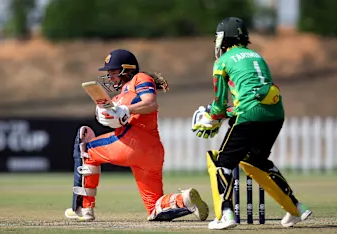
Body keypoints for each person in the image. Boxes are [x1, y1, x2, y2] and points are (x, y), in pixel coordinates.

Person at [191, 17, 312, 230]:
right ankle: (296, 208)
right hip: (275, 113)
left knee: (222, 163)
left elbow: (220, 104)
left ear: (223, 38)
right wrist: (227, 113)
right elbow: (253, 96)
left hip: (249, 116)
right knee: (257, 160)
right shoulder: (257, 56)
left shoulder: (223, 61)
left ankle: (226, 214)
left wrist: (213, 116)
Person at [65, 49, 209, 222]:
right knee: (155, 209)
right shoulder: (120, 95)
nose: (110, 77)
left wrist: (126, 109)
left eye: (114, 72)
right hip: (152, 153)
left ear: (128, 69)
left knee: (85, 147)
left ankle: (83, 209)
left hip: (131, 144)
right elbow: (118, 117)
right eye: (109, 73)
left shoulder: (140, 79)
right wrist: (106, 115)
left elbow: (150, 103)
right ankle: (184, 199)